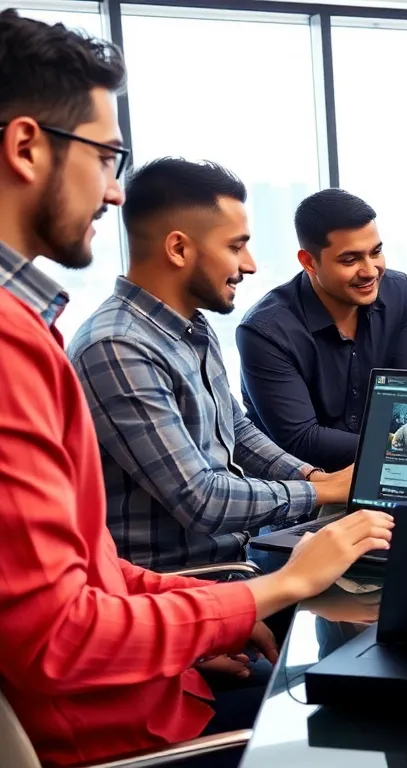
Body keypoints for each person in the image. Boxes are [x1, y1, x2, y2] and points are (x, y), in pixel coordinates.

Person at [0, 12, 393, 767]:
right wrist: (271, 588)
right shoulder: (53, 345)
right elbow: (60, 635)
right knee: (377, 715)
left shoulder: (68, 329)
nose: (114, 192)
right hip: (124, 727)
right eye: (106, 156)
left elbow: (94, 571)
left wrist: (208, 619)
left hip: (157, 665)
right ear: (25, 147)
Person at [67, 158, 354, 570]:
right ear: (179, 248)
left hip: (236, 559)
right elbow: (200, 500)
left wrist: (313, 477)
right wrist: (324, 493)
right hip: (187, 586)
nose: (250, 264)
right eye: (236, 246)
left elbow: (235, 430)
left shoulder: (191, 327)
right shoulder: (117, 347)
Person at [237, 188, 407, 471]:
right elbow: (301, 439)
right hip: (301, 490)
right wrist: (396, 444)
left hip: (387, 469)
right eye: (350, 260)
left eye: (376, 252)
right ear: (309, 262)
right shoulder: (264, 331)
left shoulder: (400, 293)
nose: (370, 271)